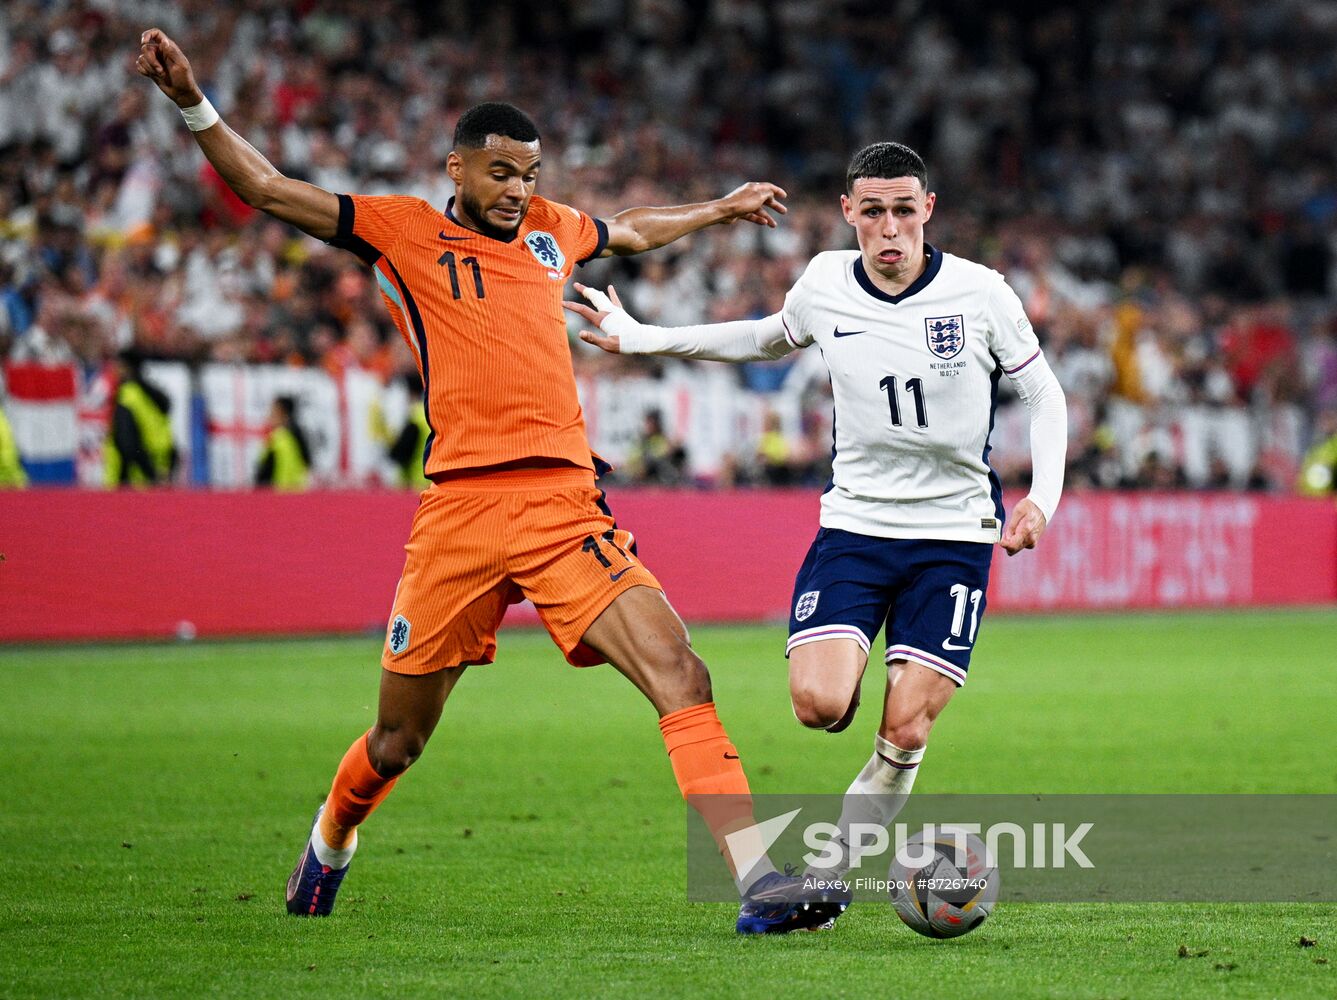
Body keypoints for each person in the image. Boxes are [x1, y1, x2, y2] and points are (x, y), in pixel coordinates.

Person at [135, 29, 827, 934]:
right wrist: (193, 101)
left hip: (561, 504)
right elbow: (266, 188)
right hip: (458, 515)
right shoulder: (398, 230)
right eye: (501, 173)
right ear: (455, 167)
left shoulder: (552, 232)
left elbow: (629, 232)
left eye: (530, 174)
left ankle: (758, 884)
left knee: (680, 674)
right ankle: (332, 836)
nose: (519, 191)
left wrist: (718, 209)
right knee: (397, 742)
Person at [567, 141, 1068, 925]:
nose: (890, 228)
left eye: (904, 210)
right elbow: (764, 338)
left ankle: (831, 875)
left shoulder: (981, 294)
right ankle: (878, 668)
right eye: (873, 211)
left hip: (954, 534)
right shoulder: (825, 284)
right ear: (848, 214)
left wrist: (1041, 498)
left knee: (905, 722)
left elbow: (1044, 395)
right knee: (819, 705)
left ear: (927, 211)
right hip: (856, 528)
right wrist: (641, 337)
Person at [105, 349, 177, 487]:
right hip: (160, 472)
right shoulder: (154, 396)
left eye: (117, 366)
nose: (114, 371)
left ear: (127, 368)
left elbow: (128, 443)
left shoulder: (127, 395)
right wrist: (161, 474)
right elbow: (168, 436)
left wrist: (151, 474)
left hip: (131, 479)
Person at [254, 395, 311, 490]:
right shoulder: (298, 435)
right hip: (296, 493)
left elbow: (265, 472)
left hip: (279, 494)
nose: (269, 415)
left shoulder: (280, 438)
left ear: (282, 413)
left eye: (273, 411)